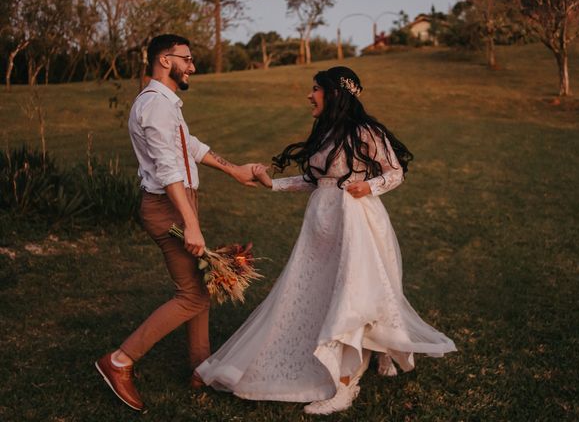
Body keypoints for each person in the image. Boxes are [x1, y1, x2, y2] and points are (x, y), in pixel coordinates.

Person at [195, 66, 456, 415]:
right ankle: (369, 350)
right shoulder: (326, 132)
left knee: (354, 293)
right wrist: (272, 184)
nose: (309, 95)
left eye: (315, 89)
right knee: (321, 293)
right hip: (320, 227)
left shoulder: (365, 131)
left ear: (335, 93)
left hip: (356, 222)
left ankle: (345, 385)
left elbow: (394, 172)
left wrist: (370, 186)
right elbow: (315, 180)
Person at [95, 34, 258, 411]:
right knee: (193, 295)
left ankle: (202, 369)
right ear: (165, 60)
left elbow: (189, 146)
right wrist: (191, 224)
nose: (193, 67)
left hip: (178, 203)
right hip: (168, 206)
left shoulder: (166, 104)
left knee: (198, 287)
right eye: (187, 59)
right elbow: (168, 169)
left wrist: (234, 170)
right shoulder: (154, 106)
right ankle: (119, 360)